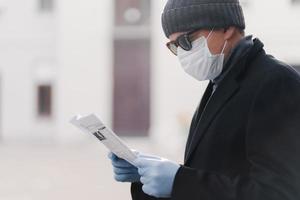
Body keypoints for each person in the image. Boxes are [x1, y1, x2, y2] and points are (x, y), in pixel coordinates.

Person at [108, 0, 300, 199]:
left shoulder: (275, 83)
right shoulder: (219, 84)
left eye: (186, 41)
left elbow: (281, 192)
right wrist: (147, 176)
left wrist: (178, 180)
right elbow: (212, 172)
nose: (182, 54)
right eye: (175, 46)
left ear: (226, 27)